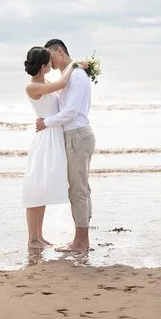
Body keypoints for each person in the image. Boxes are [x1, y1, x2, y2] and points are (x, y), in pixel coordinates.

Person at [21, 46, 86, 249]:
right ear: (43, 66)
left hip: (53, 136)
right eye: (49, 62)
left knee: (44, 188)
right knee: (36, 188)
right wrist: (73, 64)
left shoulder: (45, 83)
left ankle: (39, 237)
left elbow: (63, 90)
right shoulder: (32, 87)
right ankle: (32, 238)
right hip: (45, 138)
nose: (52, 64)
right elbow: (63, 82)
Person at [35, 39, 96, 253]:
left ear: (59, 52)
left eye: (50, 58)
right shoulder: (70, 75)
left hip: (77, 135)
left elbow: (70, 112)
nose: (49, 64)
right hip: (75, 135)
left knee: (78, 191)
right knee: (81, 189)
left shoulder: (77, 77)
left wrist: (45, 123)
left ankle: (81, 243)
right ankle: (81, 240)